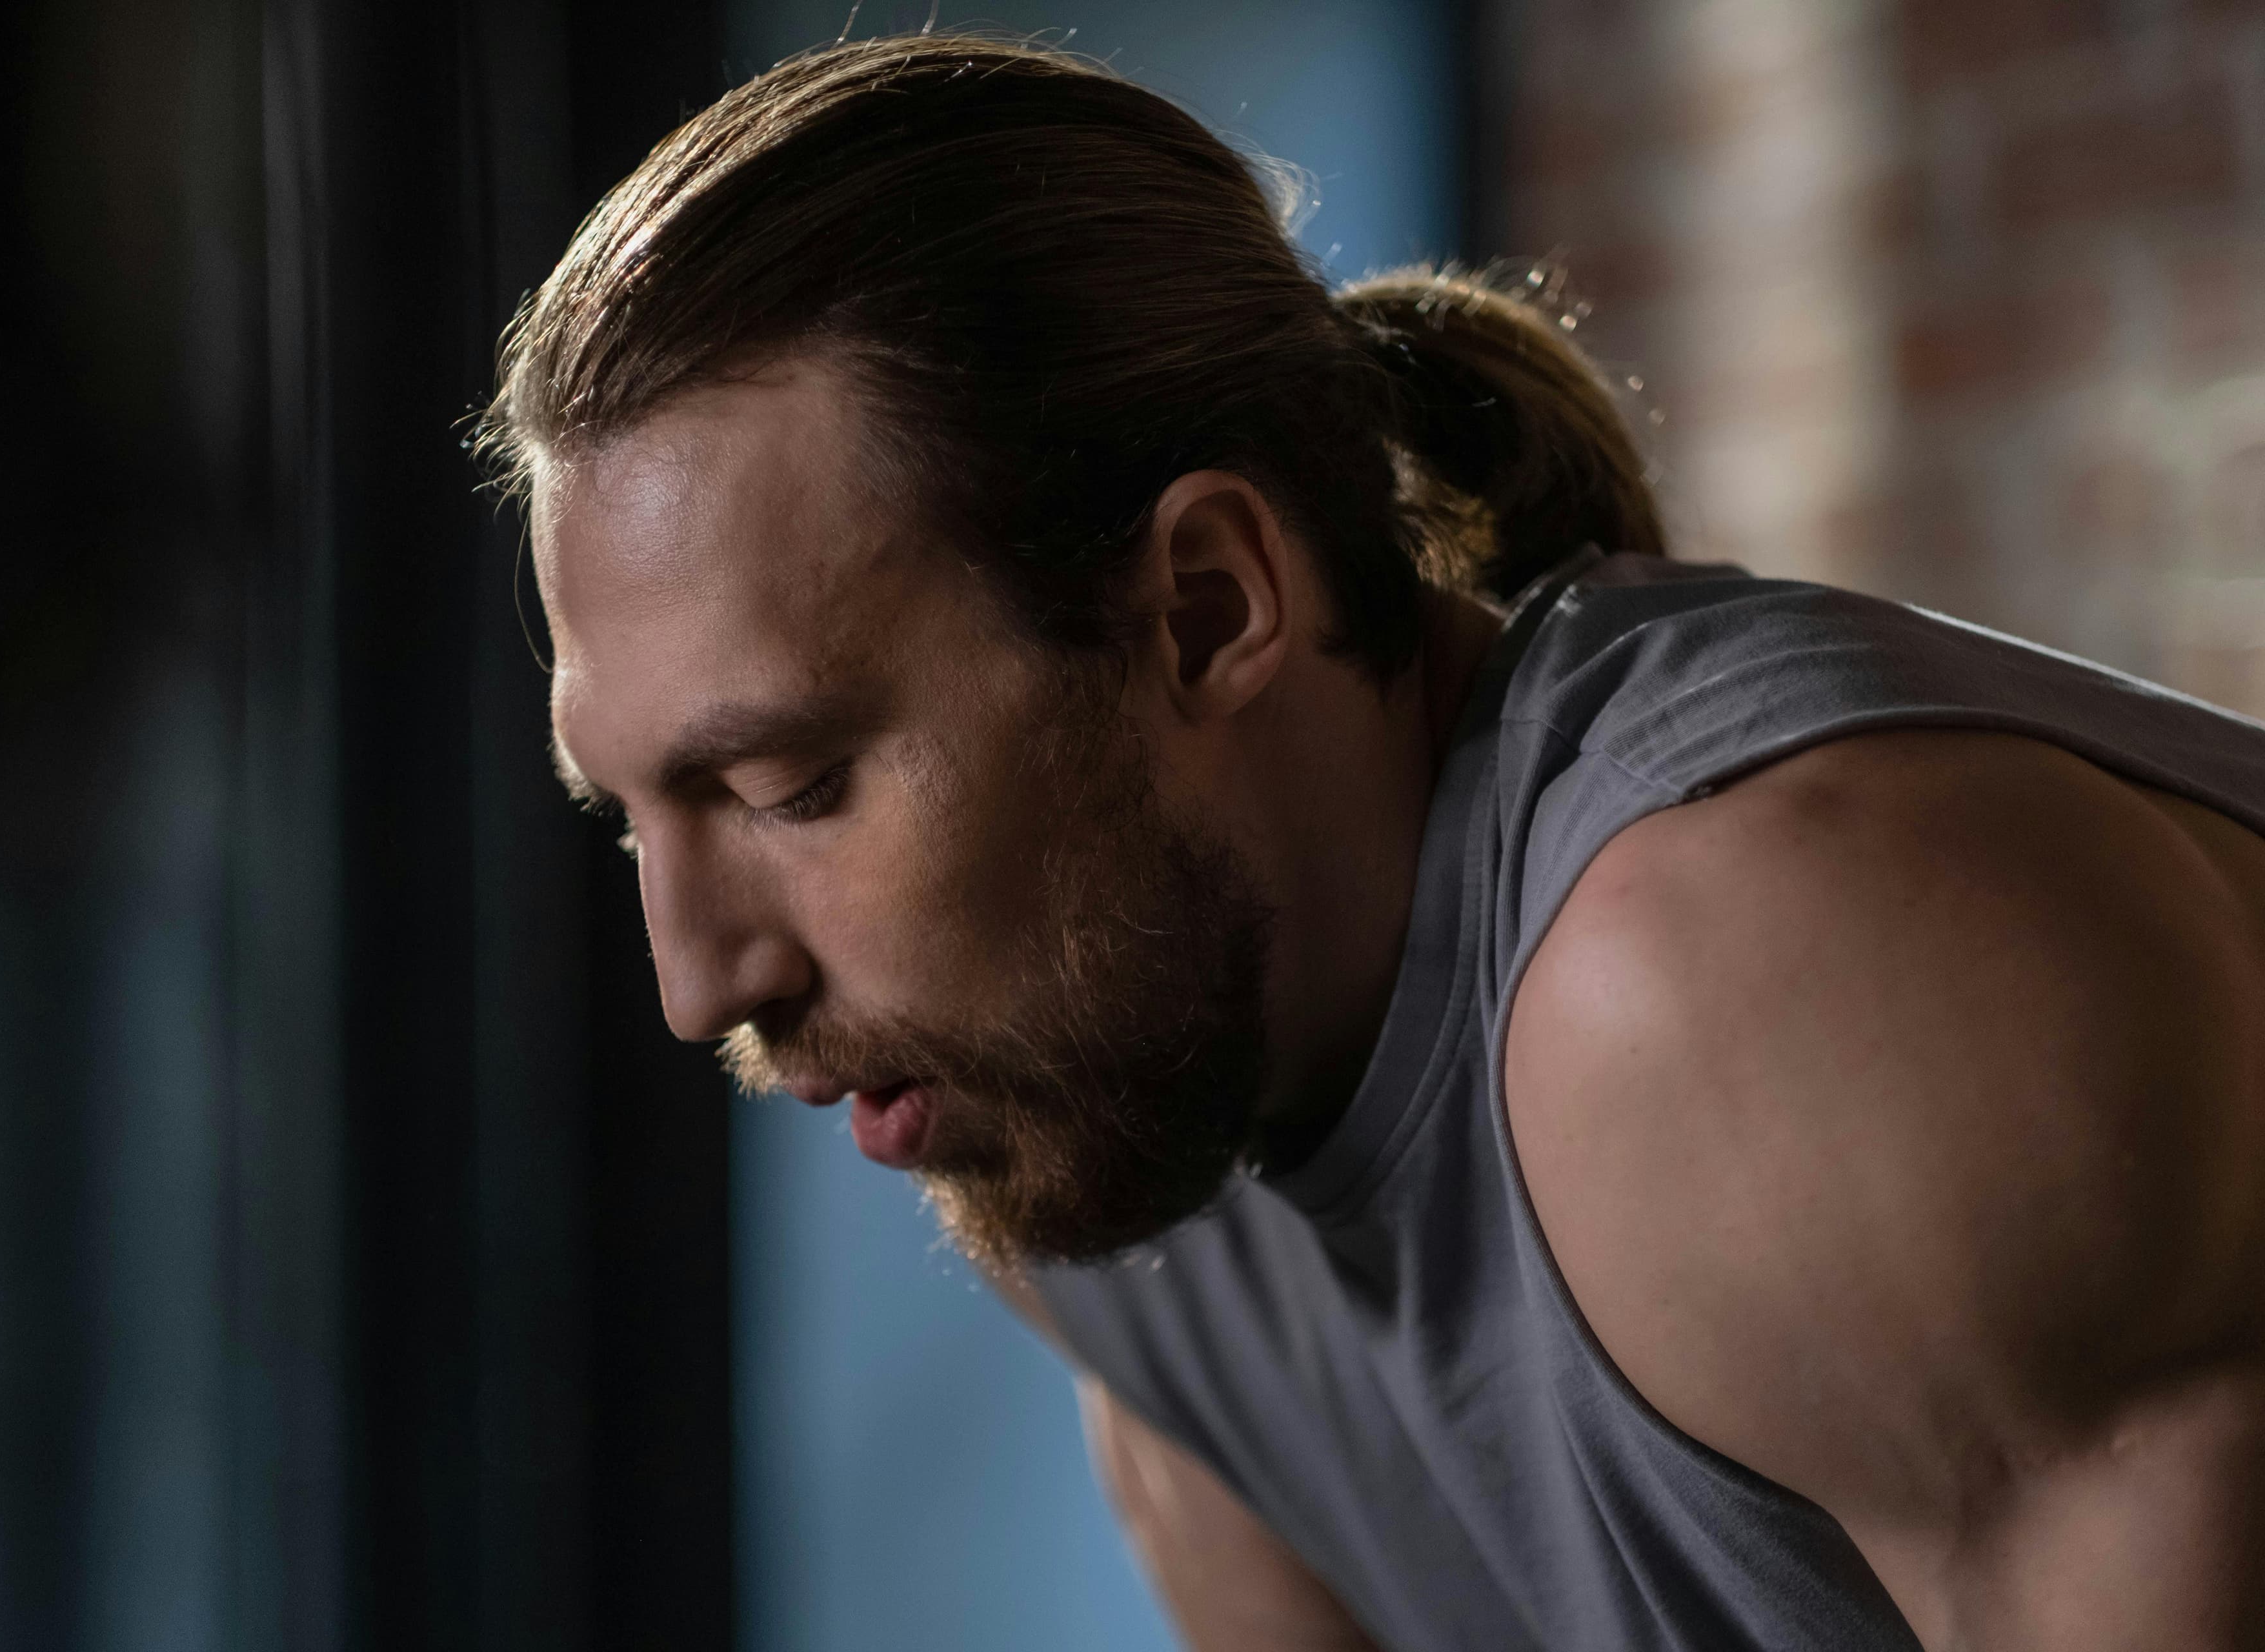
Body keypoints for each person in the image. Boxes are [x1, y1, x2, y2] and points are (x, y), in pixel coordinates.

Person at [480, 35, 2265, 1651]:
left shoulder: (1755, 980)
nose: (699, 975)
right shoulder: (1100, 1136)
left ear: (1203, 605)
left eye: (789, 787)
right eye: (627, 814)